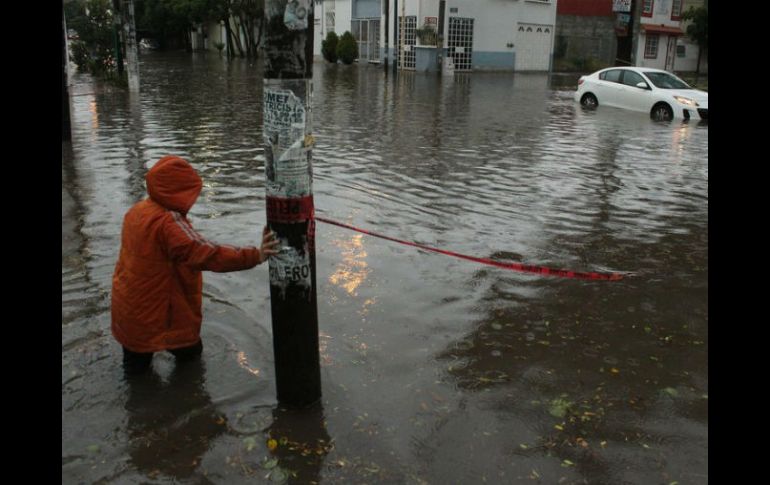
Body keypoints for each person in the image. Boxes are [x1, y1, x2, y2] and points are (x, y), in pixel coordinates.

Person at [111, 155, 279, 373]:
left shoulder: (137, 212)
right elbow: (206, 253)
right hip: (162, 313)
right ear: (180, 191)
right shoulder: (168, 222)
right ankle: (191, 402)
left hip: (130, 310)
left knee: (136, 371)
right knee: (190, 360)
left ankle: (143, 405)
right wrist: (256, 255)